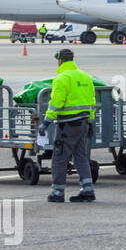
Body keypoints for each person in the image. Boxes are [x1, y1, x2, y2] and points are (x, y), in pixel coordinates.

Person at [41, 48, 96, 203]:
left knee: (59, 157)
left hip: (67, 125)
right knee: (81, 157)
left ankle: (57, 192)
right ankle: (87, 189)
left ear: (60, 60)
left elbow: (56, 103)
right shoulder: (86, 77)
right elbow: (92, 101)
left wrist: (46, 122)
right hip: (84, 123)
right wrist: (90, 121)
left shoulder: (61, 79)